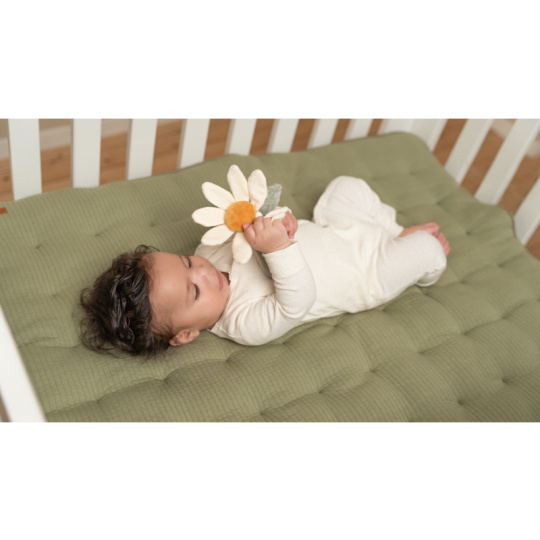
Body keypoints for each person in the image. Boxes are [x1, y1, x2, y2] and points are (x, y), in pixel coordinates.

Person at [80, 176, 450, 356]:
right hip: (367, 272)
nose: (203, 272)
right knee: (429, 248)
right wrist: (278, 248)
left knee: (344, 187)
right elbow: (298, 301)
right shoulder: (243, 323)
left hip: (334, 229)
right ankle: (411, 253)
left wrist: (281, 221)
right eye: (194, 292)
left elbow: (264, 224)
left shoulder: (209, 249)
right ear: (186, 334)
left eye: (186, 262)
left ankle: (393, 231)